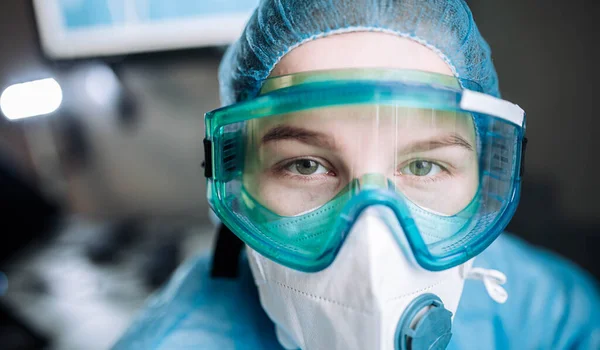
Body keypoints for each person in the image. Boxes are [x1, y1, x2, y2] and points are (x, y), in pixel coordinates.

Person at [112, 0, 600, 349]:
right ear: (238, 188)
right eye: (306, 165)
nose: (371, 244)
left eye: (422, 165)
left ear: (479, 182)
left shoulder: (549, 312)